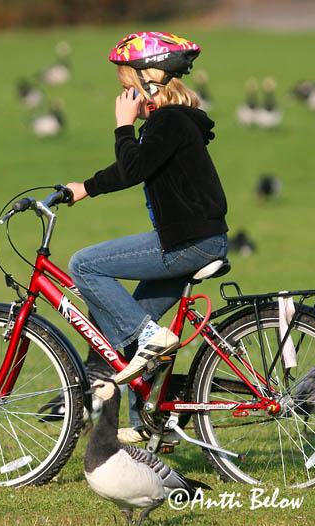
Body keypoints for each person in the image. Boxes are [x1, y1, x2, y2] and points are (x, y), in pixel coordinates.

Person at [66, 32, 228, 423]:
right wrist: (85, 188)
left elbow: (134, 167)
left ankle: (152, 340)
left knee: (84, 265)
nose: (124, 98)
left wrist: (122, 127)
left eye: (127, 88)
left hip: (188, 243)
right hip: (198, 239)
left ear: (148, 82)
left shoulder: (167, 122)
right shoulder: (170, 124)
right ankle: (150, 427)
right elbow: (133, 167)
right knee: (132, 328)